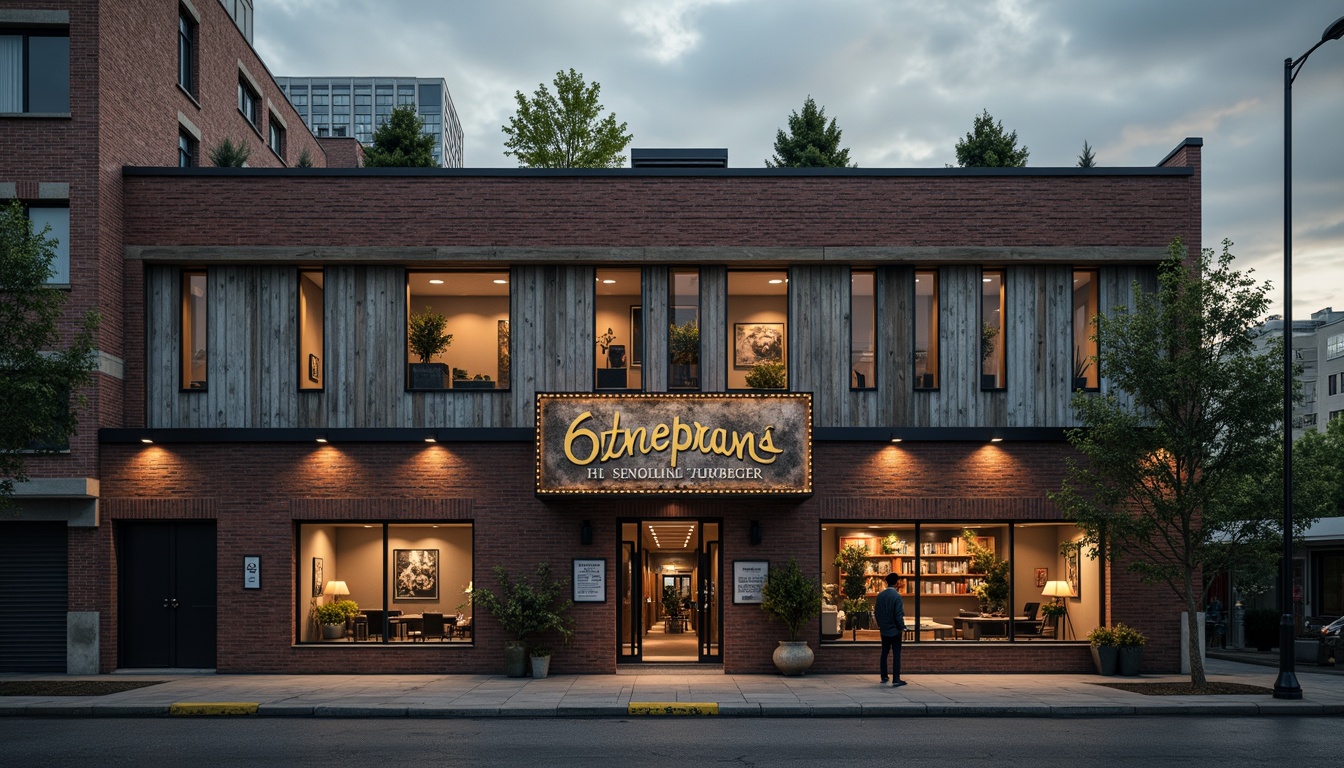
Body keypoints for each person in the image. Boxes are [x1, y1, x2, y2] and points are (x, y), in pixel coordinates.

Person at [875, 572, 907, 687]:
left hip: (884, 629)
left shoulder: (880, 595)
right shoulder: (897, 596)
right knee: (896, 654)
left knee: (884, 652)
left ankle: (884, 675)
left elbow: (877, 613)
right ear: (897, 583)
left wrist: (881, 625)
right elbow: (898, 614)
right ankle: (896, 678)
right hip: (895, 630)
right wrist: (901, 626)